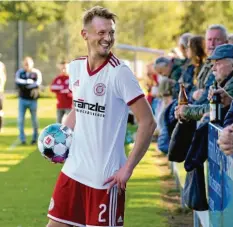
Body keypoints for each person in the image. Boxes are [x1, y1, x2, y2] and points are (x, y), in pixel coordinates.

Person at [47, 6, 156, 227]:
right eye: (102, 33)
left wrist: (128, 168)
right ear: (84, 34)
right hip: (73, 171)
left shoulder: (120, 73)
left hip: (104, 178)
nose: (108, 38)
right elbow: (78, 110)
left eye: (111, 33)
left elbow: (148, 122)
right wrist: (58, 142)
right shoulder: (75, 67)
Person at [175, 24, 228, 121]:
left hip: (211, 117)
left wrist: (188, 110)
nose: (212, 44)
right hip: (200, 111)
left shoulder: (226, 66)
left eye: (217, 40)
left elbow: (210, 101)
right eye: (209, 40)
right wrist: (191, 99)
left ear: (226, 42)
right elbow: (193, 90)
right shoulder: (207, 64)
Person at [15, 56, 42, 145]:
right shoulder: (20, 72)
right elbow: (17, 81)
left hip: (33, 100)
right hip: (22, 99)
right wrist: (28, 82)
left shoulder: (36, 72)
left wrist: (27, 85)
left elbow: (37, 83)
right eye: (25, 64)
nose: (27, 65)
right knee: (20, 120)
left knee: (34, 120)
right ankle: (22, 139)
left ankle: (35, 138)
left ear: (32, 64)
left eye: (28, 64)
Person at [0, 61, 6, 132]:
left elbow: (4, 78)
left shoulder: (1, 64)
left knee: (0, 111)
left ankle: (0, 126)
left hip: (0, 91)